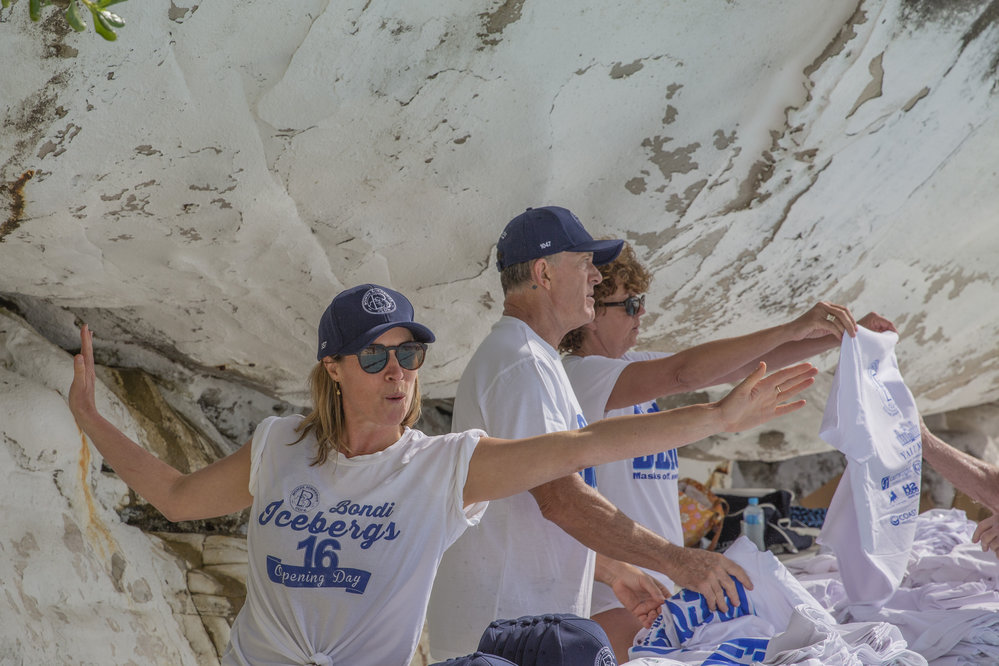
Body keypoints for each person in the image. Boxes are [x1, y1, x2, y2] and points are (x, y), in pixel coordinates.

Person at [67, 282, 816, 666]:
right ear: (333, 368)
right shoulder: (279, 445)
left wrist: (715, 418)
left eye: (409, 354)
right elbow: (175, 495)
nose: (396, 371)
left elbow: (579, 446)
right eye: (374, 355)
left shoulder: (442, 466)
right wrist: (91, 419)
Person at [429, 207, 805, 659]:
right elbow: (560, 499)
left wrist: (612, 570)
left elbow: (533, 504)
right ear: (543, 273)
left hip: (520, 627)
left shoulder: (533, 359)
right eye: (585, 263)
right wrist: (679, 560)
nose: (595, 276)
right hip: (505, 631)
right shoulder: (521, 364)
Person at [557, 241, 896, 661]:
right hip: (616, 592)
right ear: (592, 312)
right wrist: (790, 327)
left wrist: (841, 336)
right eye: (631, 305)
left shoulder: (627, 365)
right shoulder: (582, 375)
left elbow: (743, 364)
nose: (641, 313)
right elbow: (683, 374)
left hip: (658, 585)